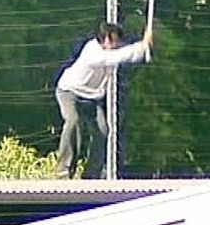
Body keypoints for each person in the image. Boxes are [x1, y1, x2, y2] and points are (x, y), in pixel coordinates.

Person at [55, 22, 152, 179]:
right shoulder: (93, 52)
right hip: (69, 92)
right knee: (73, 121)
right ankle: (64, 170)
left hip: (92, 98)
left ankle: (91, 174)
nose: (117, 45)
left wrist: (144, 46)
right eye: (115, 41)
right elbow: (115, 57)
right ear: (106, 39)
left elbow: (126, 54)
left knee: (102, 131)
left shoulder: (111, 50)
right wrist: (142, 46)